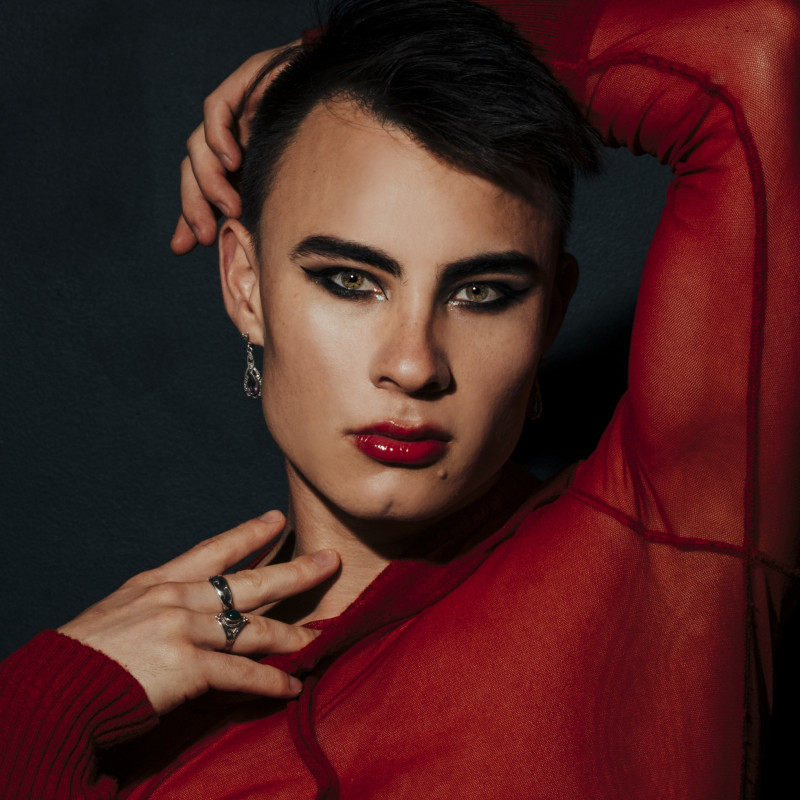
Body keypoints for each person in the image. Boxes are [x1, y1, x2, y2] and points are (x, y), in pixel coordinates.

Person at [1, 0, 798, 797]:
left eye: (483, 293)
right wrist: (39, 710)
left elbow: (755, 56)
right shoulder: (142, 729)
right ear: (247, 285)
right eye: (351, 281)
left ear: (552, 311)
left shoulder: (667, 553)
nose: (414, 366)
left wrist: (370, 47)